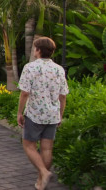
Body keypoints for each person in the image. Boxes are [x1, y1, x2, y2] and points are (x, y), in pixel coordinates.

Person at [17, 37, 68, 190]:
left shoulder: (30, 67)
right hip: (52, 114)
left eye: (35, 48)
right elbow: (63, 95)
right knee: (47, 148)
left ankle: (43, 173)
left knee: (29, 146)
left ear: (38, 50)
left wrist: (20, 112)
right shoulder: (59, 69)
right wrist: (60, 114)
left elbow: (25, 93)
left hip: (34, 114)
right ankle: (41, 181)